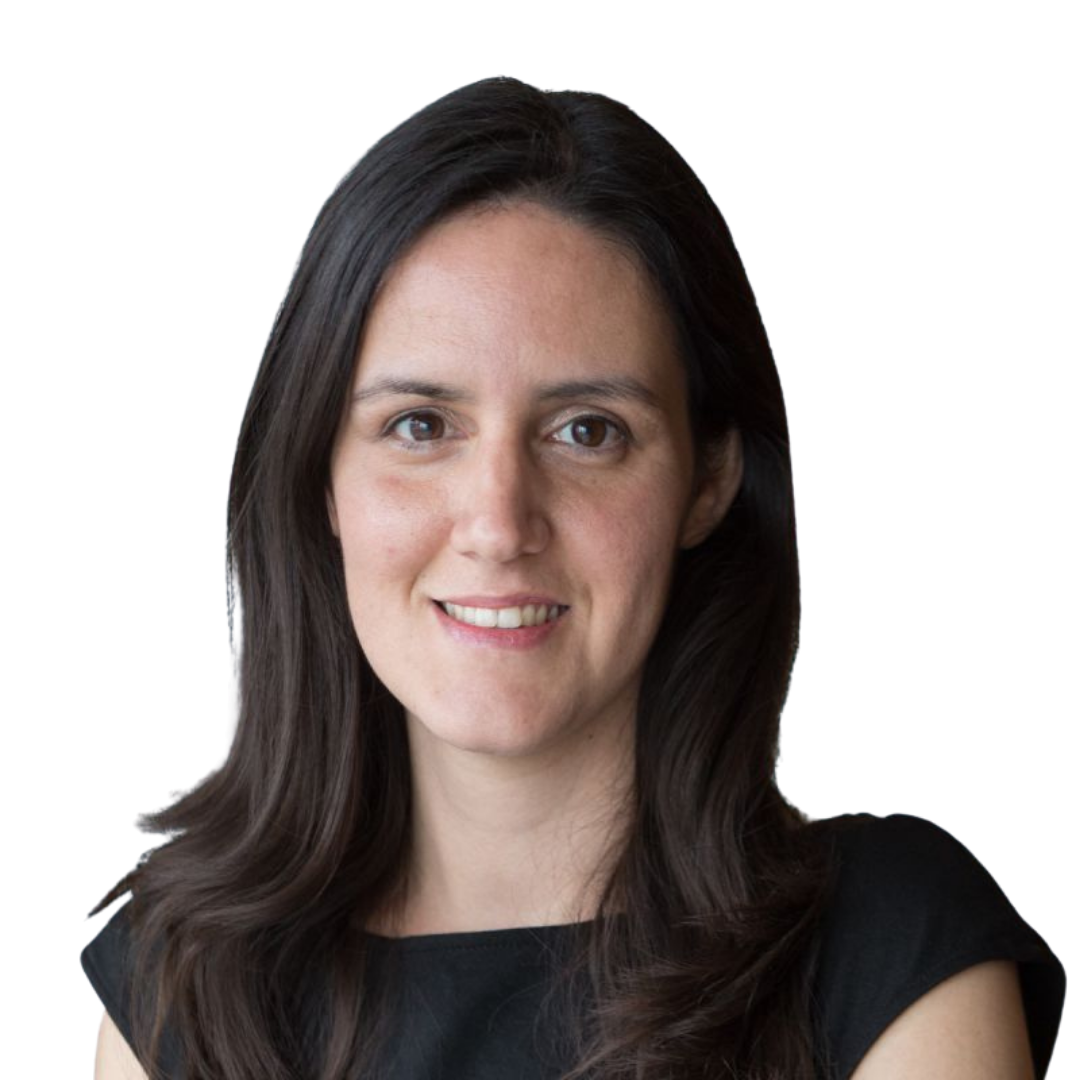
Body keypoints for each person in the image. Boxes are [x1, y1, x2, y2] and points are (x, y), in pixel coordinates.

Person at [81, 75, 1065, 1080]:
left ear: (707, 479)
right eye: (420, 425)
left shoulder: (892, 955)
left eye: (587, 431)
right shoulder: (179, 988)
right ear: (320, 478)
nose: (498, 525)